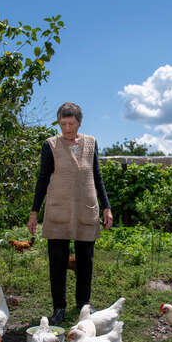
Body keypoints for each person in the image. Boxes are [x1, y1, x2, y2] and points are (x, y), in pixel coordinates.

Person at [27, 102, 113, 325]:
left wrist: (107, 207)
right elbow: (43, 178)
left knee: (86, 261)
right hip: (59, 209)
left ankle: (84, 305)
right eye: (63, 124)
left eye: (71, 123)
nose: (67, 128)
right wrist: (34, 211)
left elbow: (97, 176)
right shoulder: (50, 145)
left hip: (86, 208)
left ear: (79, 122)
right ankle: (59, 308)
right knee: (57, 261)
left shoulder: (90, 143)